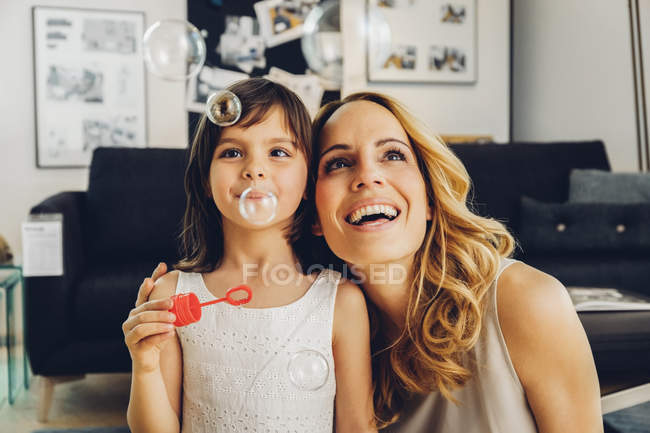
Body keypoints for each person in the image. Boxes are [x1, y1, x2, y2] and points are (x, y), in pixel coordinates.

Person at [135, 91, 603, 432]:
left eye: (393, 155)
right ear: (311, 212)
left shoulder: (528, 303)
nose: (368, 177)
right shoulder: (340, 320)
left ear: (429, 195)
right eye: (338, 163)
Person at [122, 79, 376, 433]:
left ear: (309, 182)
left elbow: (357, 427)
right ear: (205, 181)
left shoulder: (341, 302)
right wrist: (145, 365)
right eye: (232, 152)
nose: (255, 168)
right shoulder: (172, 295)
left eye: (278, 152)